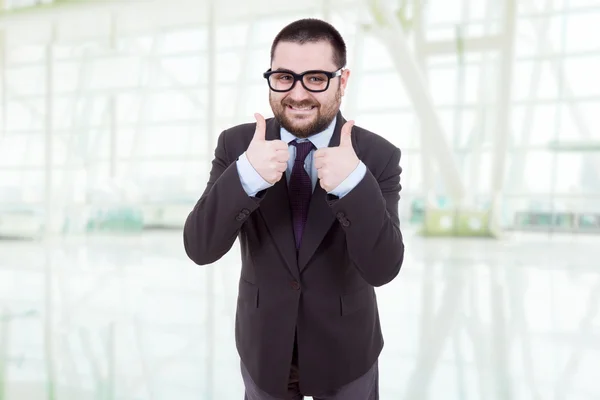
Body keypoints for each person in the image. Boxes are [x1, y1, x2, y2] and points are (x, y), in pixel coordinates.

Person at [183, 18, 405, 400]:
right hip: (264, 348)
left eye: (316, 78)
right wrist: (246, 176)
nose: (298, 94)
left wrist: (354, 184)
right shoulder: (237, 145)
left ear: (342, 80)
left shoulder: (375, 155)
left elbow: (383, 267)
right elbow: (200, 247)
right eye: (285, 77)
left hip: (346, 353)